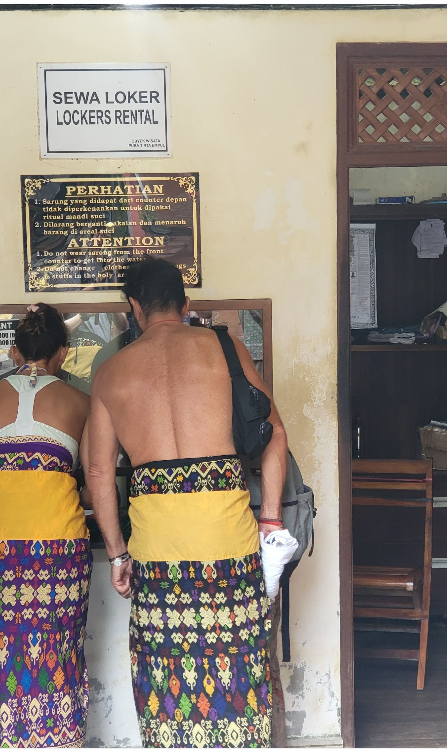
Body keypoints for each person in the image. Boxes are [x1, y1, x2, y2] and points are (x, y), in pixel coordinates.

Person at [83, 258, 288, 748]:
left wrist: (116, 552)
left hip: (158, 553)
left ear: (133, 308)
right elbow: (274, 433)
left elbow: (97, 474)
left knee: (167, 687)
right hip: (228, 544)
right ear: (186, 304)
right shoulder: (224, 347)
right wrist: (271, 518)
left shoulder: (110, 373)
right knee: (237, 676)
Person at [0, 303, 93, 748]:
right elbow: (93, 488)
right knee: (58, 656)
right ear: (64, 353)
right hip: (57, 552)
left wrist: (1, 497)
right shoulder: (80, 403)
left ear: (14, 352)